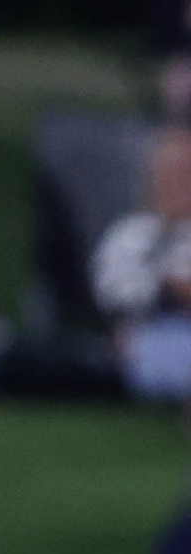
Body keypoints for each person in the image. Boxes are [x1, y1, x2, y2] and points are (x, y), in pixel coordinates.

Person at [91, 127, 191, 399]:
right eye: (168, 174)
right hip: (136, 343)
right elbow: (110, 291)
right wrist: (165, 288)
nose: (177, 184)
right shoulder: (128, 234)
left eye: (185, 174)